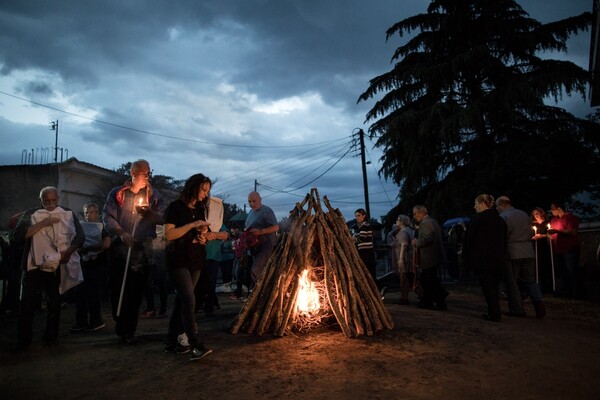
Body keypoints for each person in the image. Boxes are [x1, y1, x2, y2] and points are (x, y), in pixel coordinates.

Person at [13, 186, 85, 349]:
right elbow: (17, 235)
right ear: (40, 201)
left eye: (54, 200)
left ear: (58, 199)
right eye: (47, 201)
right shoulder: (31, 214)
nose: (51, 204)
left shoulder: (66, 213)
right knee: (27, 304)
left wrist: (68, 253)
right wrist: (44, 222)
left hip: (55, 266)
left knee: (54, 302)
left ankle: (51, 338)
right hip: (32, 266)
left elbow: (80, 236)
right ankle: (23, 340)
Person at [103, 159, 165, 344]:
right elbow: (107, 216)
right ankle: (119, 319)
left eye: (148, 173)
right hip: (120, 246)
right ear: (133, 173)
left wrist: (149, 214)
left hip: (142, 247)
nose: (147, 176)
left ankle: (129, 329)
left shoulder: (154, 196)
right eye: (143, 173)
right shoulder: (117, 194)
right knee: (116, 287)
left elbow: (162, 218)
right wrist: (121, 232)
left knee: (136, 289)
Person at [162, 173, 213, 361]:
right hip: (177, 259)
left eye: (208, 191)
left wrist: (202, 235)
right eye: (204, 190)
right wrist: (193, 224)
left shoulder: (200, 208)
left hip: (195, 259)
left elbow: (199, 232)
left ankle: (170, 341)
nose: (206, 195)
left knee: (182, 302)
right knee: (188, 300)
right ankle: (195, 344)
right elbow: (169, 234)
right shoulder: (174, 208)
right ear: (194, 187)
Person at [496, 196, 545, 318]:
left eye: (497, 206)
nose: (497, 209)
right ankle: (539, 303)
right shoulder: (523, 214)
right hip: (528, 251)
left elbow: (503, 235)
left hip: (513, 252)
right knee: (530, 280)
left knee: (512, 282)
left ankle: (517, 309)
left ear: (502, 205)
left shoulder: (504, 217)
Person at [463, 195, 507, 322]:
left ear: (483, 203)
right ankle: (494, 311)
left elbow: (469, 240)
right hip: (498, 258)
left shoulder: (477, 219)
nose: (474, 206)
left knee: (488, 287)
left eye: (475, 203)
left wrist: (467, 256)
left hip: (483, 260)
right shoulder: (499, 220)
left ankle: (494, 313)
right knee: (494, 286)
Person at [71, 203, 111, 332]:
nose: (90, 215)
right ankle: (81, 321)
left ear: (97, 213)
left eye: (93, 212)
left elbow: (106, 245)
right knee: (80, 294)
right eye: (87, 213)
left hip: (97, 265)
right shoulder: (81, 227)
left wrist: (89, 248)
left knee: (93, 294)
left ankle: (96, 321)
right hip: (83, 264)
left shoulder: (102, 227)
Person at [411, 205, 448, 310]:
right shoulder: (432, 221)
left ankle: (437, 300)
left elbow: (427, 238)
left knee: (429, 280)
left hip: (428, 256)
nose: (414, 216)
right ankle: (434, 300)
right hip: (432, 256)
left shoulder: (425, 223)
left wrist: (416, 242)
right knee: (430, 279)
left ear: (422, 213)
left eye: (415, 214)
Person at [245, 191, 279, 288]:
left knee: (256, 270)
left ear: (260, 199)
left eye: (254, 201)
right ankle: (258, 292)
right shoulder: (251, 212)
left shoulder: (267, 211)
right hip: (254, 246)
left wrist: (260, 232)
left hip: (266, 246)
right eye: (249, 201)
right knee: (254, 271)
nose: (252, 204)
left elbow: (276, 227)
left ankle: (260, 292)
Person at [548, 201, 581, 298]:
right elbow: (551, 233)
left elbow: (573, 232)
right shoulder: (553, 220)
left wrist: (557, 231)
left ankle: (577, 293)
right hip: (558, 250)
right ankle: (567, 292)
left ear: (559, 208)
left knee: (572, 271)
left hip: (570, 249)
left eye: (553, 208)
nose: (551, 211)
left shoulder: (570, 218)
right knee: (562, 272)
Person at [196, 223, 229, 316]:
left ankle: (209, 308)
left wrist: (210, 234)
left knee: (210, 282)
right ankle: (212, 304)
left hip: (212, 256)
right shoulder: (198, 221)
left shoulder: (216, 222)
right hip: (198, 256)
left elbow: (225, 235)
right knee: (202, 282)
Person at [354, 208, 385, 297]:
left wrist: (353, 239)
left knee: (369, 273)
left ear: (364, 216)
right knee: (369, 273)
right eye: (356, 216)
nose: (357, 217)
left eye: (359, 215)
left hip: (366, 253)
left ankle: (379, 289)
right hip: (365, 253)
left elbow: (362, 238)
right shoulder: (362, 226)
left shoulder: (365, 226)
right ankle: (377, 291)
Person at [393, 214, 422, 305]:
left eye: (398, 220)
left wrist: (400, 259)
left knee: (405, 279)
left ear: (402, 222)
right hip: (410, 258)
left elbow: (404, 245)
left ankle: (404, 298)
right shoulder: (410, 230)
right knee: (411, 279)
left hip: (405, 259)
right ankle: (422, 296)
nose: (396, 221)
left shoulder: (403, 232)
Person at [530, 207, 553, 293]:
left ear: (542, 213)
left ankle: (551, 286)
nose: (535, 216)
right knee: (539, 268)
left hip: (546, 247)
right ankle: (543, 287)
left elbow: (550, 235)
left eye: (537, 214)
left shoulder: (547, 223)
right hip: (537, 247)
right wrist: (533, 237)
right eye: (534, 215)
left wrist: (542, 236)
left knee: (547, 267)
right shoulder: (533, 225)